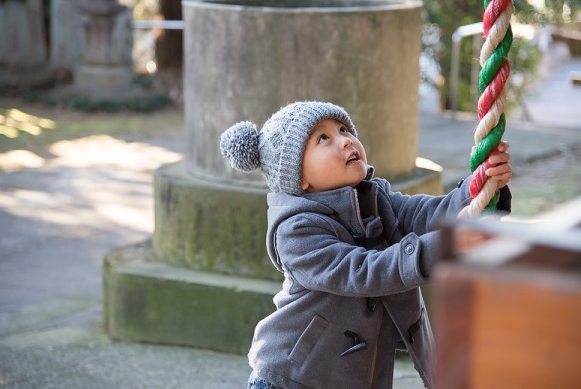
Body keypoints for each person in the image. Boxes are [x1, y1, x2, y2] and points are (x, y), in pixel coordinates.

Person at [219, 101, 512, 389]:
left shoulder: (373, 198)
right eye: (324, 138)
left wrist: (479, 189)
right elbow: (363, 271)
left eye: (345, 129)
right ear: (300, 177)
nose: (345, 141)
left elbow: (425, 214)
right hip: (292, 377)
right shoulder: (296, 232)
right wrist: (446, 245)